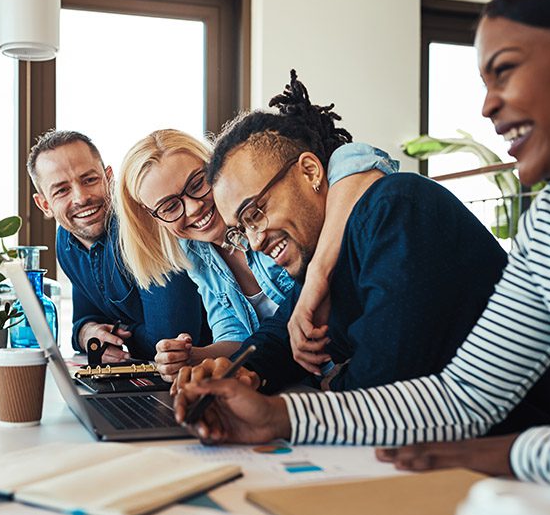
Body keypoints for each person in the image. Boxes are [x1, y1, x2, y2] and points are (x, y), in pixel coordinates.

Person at [174, 0, 550, 515]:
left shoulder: (396, 209)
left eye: (504, 70)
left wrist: (519, 453)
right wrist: (275, 414)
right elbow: (463, 397)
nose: (487, 106)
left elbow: (415, 387)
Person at [184, 70, 550, 435]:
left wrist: (325, 389)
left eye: (256, 213)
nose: (254, 241)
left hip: (532, 469)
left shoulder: (396, 208)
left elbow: (383, 381)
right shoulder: (320, 262)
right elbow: (280, 335)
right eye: (243, 229)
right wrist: (241, 374)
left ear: (311, 171)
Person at [113, 129, 399, 381]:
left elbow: (355, 158)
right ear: (155, 219)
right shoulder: (196, 253)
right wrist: (195, 357)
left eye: (198, 184)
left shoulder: (273, 214)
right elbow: (238, 336)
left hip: (360, 362)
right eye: (169, 207)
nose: (192, 208)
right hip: (299, 378)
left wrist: (314, 280)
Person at [27, 129, 211, 362]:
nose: (81, 198)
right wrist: (87, 334)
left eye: (89, 180)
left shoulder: (145, 225)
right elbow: (84, 319)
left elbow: (168, 339)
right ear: (44, 204)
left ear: (109, 177)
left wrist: (117, 332)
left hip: (206, 372)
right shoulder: (66, 241)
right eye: (62, 190)